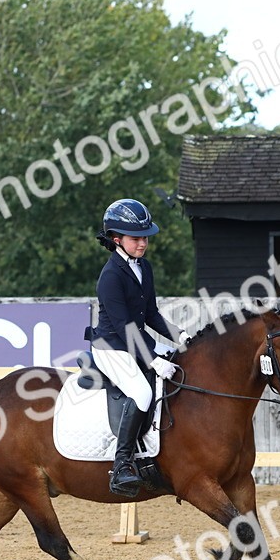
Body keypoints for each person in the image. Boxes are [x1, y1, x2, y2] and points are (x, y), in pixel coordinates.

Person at [87, 198, 190, 496]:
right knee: (143, 393)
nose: (143, 243)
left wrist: (180, 336)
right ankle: (121, 465)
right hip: (112, 347)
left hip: (137, 340)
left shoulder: (144, 266)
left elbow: (152, 314)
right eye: (136, 238)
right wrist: (153, 359)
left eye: (145, 237)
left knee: (180, 367)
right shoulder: (110, 276)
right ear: (116, 239)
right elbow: (124, 327)